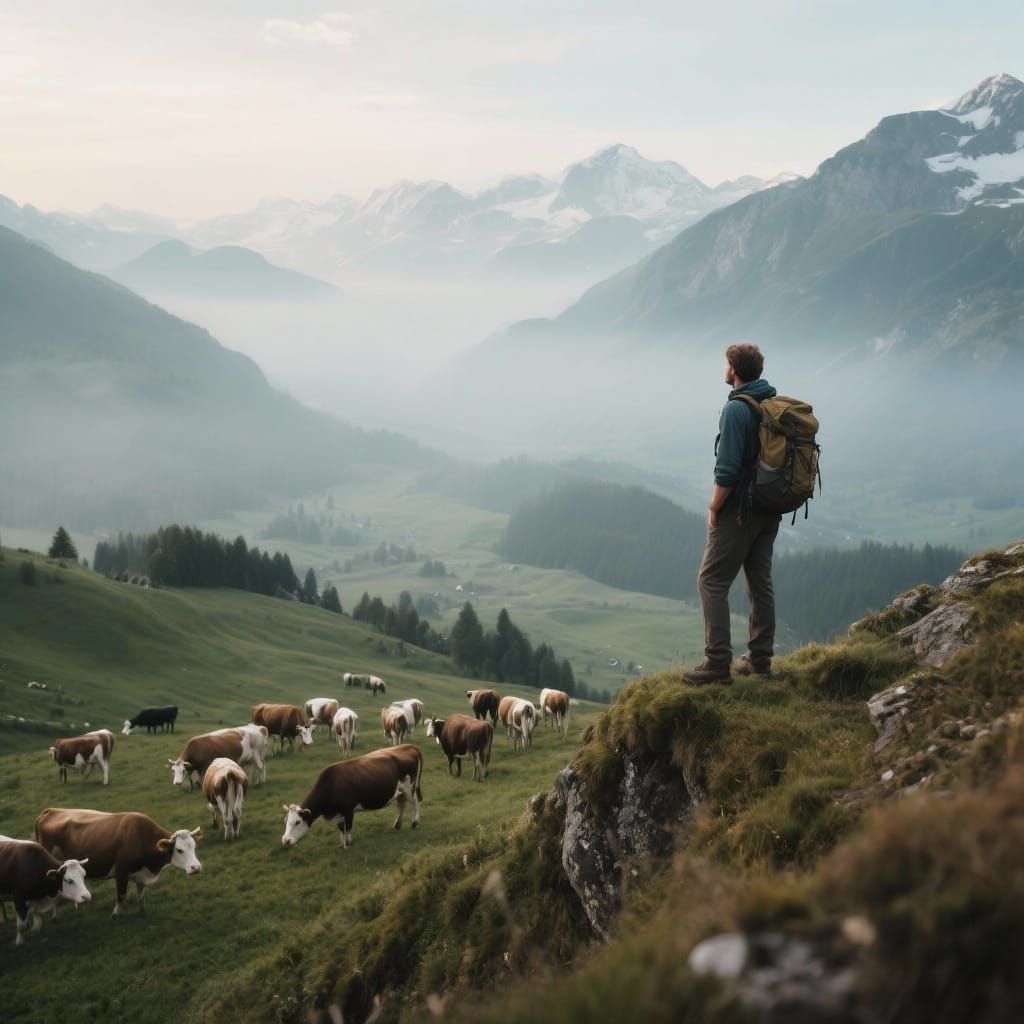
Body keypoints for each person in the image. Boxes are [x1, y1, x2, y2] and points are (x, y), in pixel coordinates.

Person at [683, 343, 780, 684]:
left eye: (725, 364)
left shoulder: (737, 409)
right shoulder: (770, 401)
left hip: (741, 511)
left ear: (734, 370)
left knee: (711, 581)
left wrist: (713, 507)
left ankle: (717, 664)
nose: (723, 369)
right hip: (771, 508)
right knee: (760, 583)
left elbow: (727, 471)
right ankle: (761, 663)